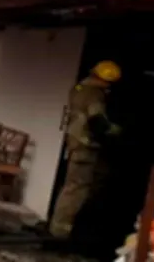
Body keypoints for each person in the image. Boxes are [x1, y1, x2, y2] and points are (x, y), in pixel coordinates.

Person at [49, 60, 122, 239]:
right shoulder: (94, 94)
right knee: (77, 189)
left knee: (72, 186)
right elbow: (97, 122)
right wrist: (114, 130)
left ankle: (60, 228)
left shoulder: (79, 88)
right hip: (85, 147)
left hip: (75, 143)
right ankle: (61, 232)